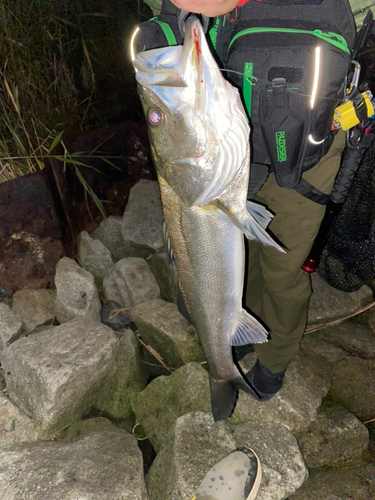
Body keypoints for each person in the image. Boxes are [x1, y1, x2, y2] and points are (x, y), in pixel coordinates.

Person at [138, 0, 375, 401]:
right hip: (226, 149)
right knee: (241, 253)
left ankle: (275, 356)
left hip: (307, 146)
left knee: (283, 267)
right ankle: (231, 341)